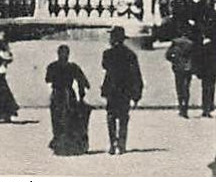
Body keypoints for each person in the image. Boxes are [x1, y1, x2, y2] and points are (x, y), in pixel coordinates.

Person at [100, 26, 144, 155]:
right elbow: (136, 74)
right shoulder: (130, 54)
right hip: (125, 89)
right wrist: (137, 94)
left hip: (112, 89)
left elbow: (104, 65)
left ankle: (113, 142)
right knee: (124, 117)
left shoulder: (107, 54)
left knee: (111, 116)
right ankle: (122, 143)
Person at [44, 44, 91, 156]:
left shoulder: (52, 66)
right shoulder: (72, 67)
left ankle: (60, 145)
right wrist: (82, 95)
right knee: (69, 120)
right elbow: (83, 81)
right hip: (68, 95)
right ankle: (68, 145)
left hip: (58, 95)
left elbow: (48, 79)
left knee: (58, 120)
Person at [197, 4, 216, 118]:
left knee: (205, 88)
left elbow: (199, 58)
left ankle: (206, 107)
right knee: (211, 88)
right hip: (212, 71)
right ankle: (209, 107)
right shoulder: (215, 46)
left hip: (206, 71)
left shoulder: (203, 46)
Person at [165, 28, 197, 118]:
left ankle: (180, 106)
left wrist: (174, 61)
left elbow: (167, 55)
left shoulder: (175, 43)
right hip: (188, 68)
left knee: (179, 87)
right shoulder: (191, 44)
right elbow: (195, 56)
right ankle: (185, 107)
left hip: (178, 68)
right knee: (186, 87)